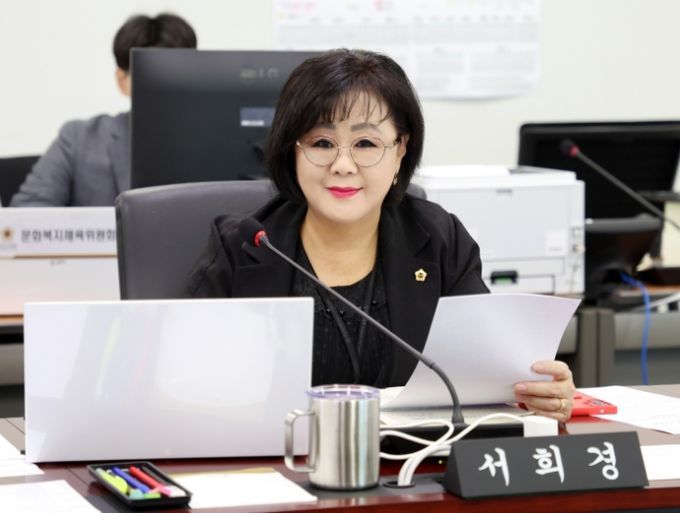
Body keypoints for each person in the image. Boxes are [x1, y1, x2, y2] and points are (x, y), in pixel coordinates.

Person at [185, 49, 575, 421]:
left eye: (365, 144)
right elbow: (183, 385)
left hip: (414, 459)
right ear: (294, 150)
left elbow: (489, 375)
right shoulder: (244, 247)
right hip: (278, 456)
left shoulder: (440, 240)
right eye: (322, 143)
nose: (343, 165)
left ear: (400, 149)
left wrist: (536, 390)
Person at [10, 13, 197, 207]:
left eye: (176, 71)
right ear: (122, 81)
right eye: (151, 73)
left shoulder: (211, 140)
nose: (164, 84)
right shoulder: (78, 139)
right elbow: (27, 211)